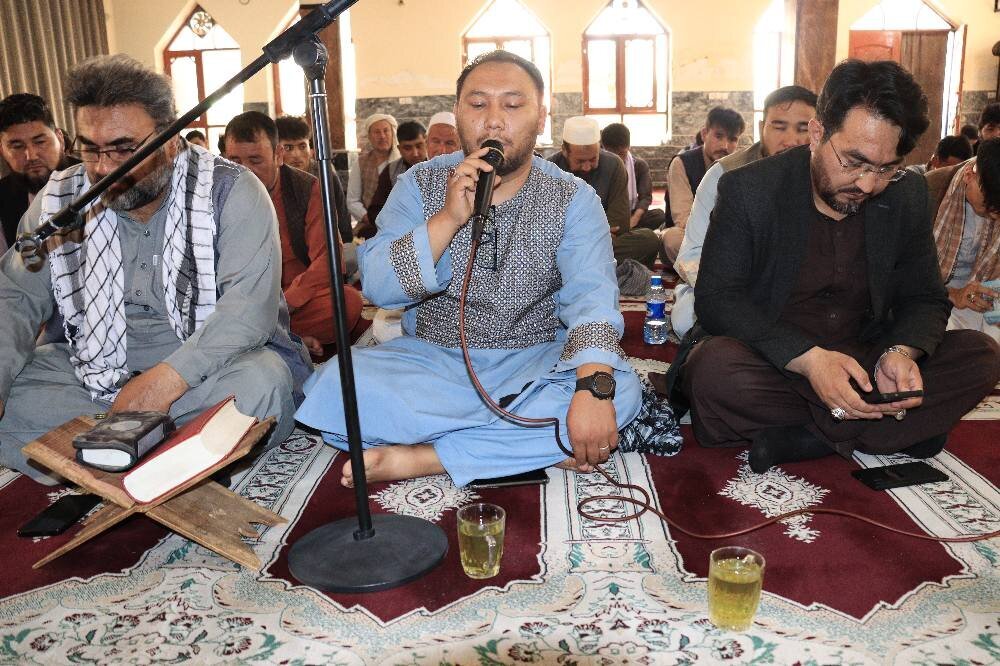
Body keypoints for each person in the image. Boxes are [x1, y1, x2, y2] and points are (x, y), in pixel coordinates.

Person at [295, 50, 642, 488]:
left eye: (513, 105)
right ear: (458, 114)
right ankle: (516, 444)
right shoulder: (417, 184)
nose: (494, 121)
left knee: (619, 391)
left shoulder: (573, 197)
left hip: (533, 361)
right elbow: (380, 288)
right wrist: (447, 219)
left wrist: (592, 391)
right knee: (335, 387)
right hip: (432, 363)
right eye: (478, 105)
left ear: (541, 118)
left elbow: (592, 299)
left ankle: (424, 457)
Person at [664, 59, 1000, 474]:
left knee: (982, 354)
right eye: (854, 162)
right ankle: (886, 429)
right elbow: (718, 300)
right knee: (713, 372)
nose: (867, 184)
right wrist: (808, 359)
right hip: (774, 358)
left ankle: (810, 437)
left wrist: (899, 352)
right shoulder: (748, 189)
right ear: (818, 133)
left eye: (886, 168)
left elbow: (924, 297)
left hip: (864, 356)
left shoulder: (907, 193)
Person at [0, 55, 310, 485]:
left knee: (261, 384)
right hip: (91, 369)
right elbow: (15, 298)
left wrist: (165, 383)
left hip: (208, 370)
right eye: (90, 148)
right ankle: (171, 460)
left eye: (124, 149)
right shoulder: (60, 201)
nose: (104, 168)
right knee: (16, 388)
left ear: (169, 140)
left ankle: (103, 458)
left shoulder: (231, 190)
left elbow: (248, 312)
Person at [670, 85, 817, 338]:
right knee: (688, 319)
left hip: (798, 293)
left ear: (818, 131)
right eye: (779, 127)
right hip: (728, 288)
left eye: (803, 129)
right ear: (762, 127)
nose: (791, 140)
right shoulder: (724, 174)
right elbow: (692, 254)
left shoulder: (828, 179)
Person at [224, 111, 362, 356]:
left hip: (292, 302)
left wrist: (283, 305)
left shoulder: (308, 189)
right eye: (235, 161)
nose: (244, 172)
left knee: (346, 303)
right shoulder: (218, 193)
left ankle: (267, 337)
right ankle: (284, 339)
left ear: (278, 156)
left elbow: (328, 260)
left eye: (255, 160)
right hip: (240, 301)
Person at [549, 116, 660, 268]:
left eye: (593, 159)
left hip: (600, 244)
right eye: (580, 161)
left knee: (649, 240)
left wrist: (578, 232)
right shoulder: (549, 170)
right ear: (565, 152)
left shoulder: (614, 165)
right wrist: (594, 231)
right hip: (568, 248)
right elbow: (547, 227)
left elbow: (619, 224)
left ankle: (579, 268)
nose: (587, 167)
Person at [927, 138, 1000, 343]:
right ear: (970, 175)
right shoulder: (931, 189)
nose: (993, 217)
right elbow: (905, 274)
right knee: (950, 340)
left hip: (978, 297)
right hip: (934, 296)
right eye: (987, 206)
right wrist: (955, 294)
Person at [662, 107, 746, 264]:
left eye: (733, 139)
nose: (725, 146)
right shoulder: (682, 163)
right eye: (719, 136)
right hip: (691, 233)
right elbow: (683, 218)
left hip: (729, 235)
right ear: (704, 134)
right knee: (672, 239)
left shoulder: (740, 166)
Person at [0, 93, 78, 248]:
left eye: (40, 142)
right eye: (17, 146)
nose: (31, 156)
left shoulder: (96, 180)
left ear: (60, 139)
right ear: (2, 150)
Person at [275, 114, 353, 246]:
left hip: (326, 246)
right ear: (277, 150)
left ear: (310, 149)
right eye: (288, 148)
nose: (296, 155)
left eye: (302, 146)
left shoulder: (324, 173)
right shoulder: (272, 176)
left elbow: (342, 218)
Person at [362, 120, 429, 237]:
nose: (415, 153)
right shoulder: (391, 172)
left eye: (419, 146)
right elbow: (376, 212)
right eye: (408, 148)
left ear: (426, 142)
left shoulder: (438, 166)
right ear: (399, 149)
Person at [600, 122, 665, 231]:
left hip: (630, 215)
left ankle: (626, 232)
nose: (617, 159)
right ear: (604, 148)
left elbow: (645, 197)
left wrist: (634, 219)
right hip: (604, 217)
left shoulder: (639, 165)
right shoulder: (596, 165)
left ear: (628, 147)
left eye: (621, 153)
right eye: (612, 154)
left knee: (659, 215)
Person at [346, 113, 399, 233]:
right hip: (370, 225)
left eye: (386, 131)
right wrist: (369, 218)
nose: (382, 136)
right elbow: (352, 200)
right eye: (377, 132)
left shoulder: (401, 162)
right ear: (369, 136)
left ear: (392, 134)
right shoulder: (361, 163)